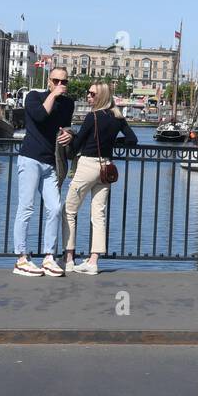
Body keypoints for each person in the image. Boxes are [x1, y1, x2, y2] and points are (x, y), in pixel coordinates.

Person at [63, 82, 138, 275]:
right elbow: (132, 140)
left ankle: (69, 258)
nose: (88, 97)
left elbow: (77, 145)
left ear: (101, 97)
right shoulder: (118, 117)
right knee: (99, 214)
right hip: (106, 167)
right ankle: (93, 261)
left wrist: (69, 140)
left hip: (88, 165)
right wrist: (113, 142)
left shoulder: (92, 117)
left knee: (69, 211)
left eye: (91, 94)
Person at [13, 67, 75, 277]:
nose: (60, 85)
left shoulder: (68, 104)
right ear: (49, 81)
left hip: (50, 163)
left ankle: (49, 256)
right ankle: (21, 258)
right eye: (56, 80)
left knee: (55, 208)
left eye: (64, 82)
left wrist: (69, 135)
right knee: (26, 207)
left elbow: (64, 128)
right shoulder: (33, 97)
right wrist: (52, 95)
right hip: (30, 158)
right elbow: (40, 116)